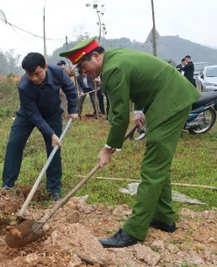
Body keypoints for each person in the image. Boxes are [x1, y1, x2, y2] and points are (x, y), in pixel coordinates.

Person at [60, 37, 200, 247]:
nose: (83, 72)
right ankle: (164, 217)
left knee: (152, 167)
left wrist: (108, 148)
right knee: (159, 164)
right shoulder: (116, 58)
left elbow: (119, 117)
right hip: (165, 97)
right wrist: (140, 110)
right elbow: (143, 82)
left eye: (83, 66)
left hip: (170, 101)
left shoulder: (113, 69)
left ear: (96, 56)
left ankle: (133, 231)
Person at [2, 52, 78, 201]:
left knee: (54, 149)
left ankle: (54, 189)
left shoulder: (57, 72)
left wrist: (73, 109)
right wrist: (51, 133)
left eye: (38, 73)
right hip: (28, 116)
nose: (34, 78)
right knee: (14, 144)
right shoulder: (24, 86)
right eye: (30, 75)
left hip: (52, 114)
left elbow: (70, 88)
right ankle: (7, 187)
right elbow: (34, 116)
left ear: (45, 67)